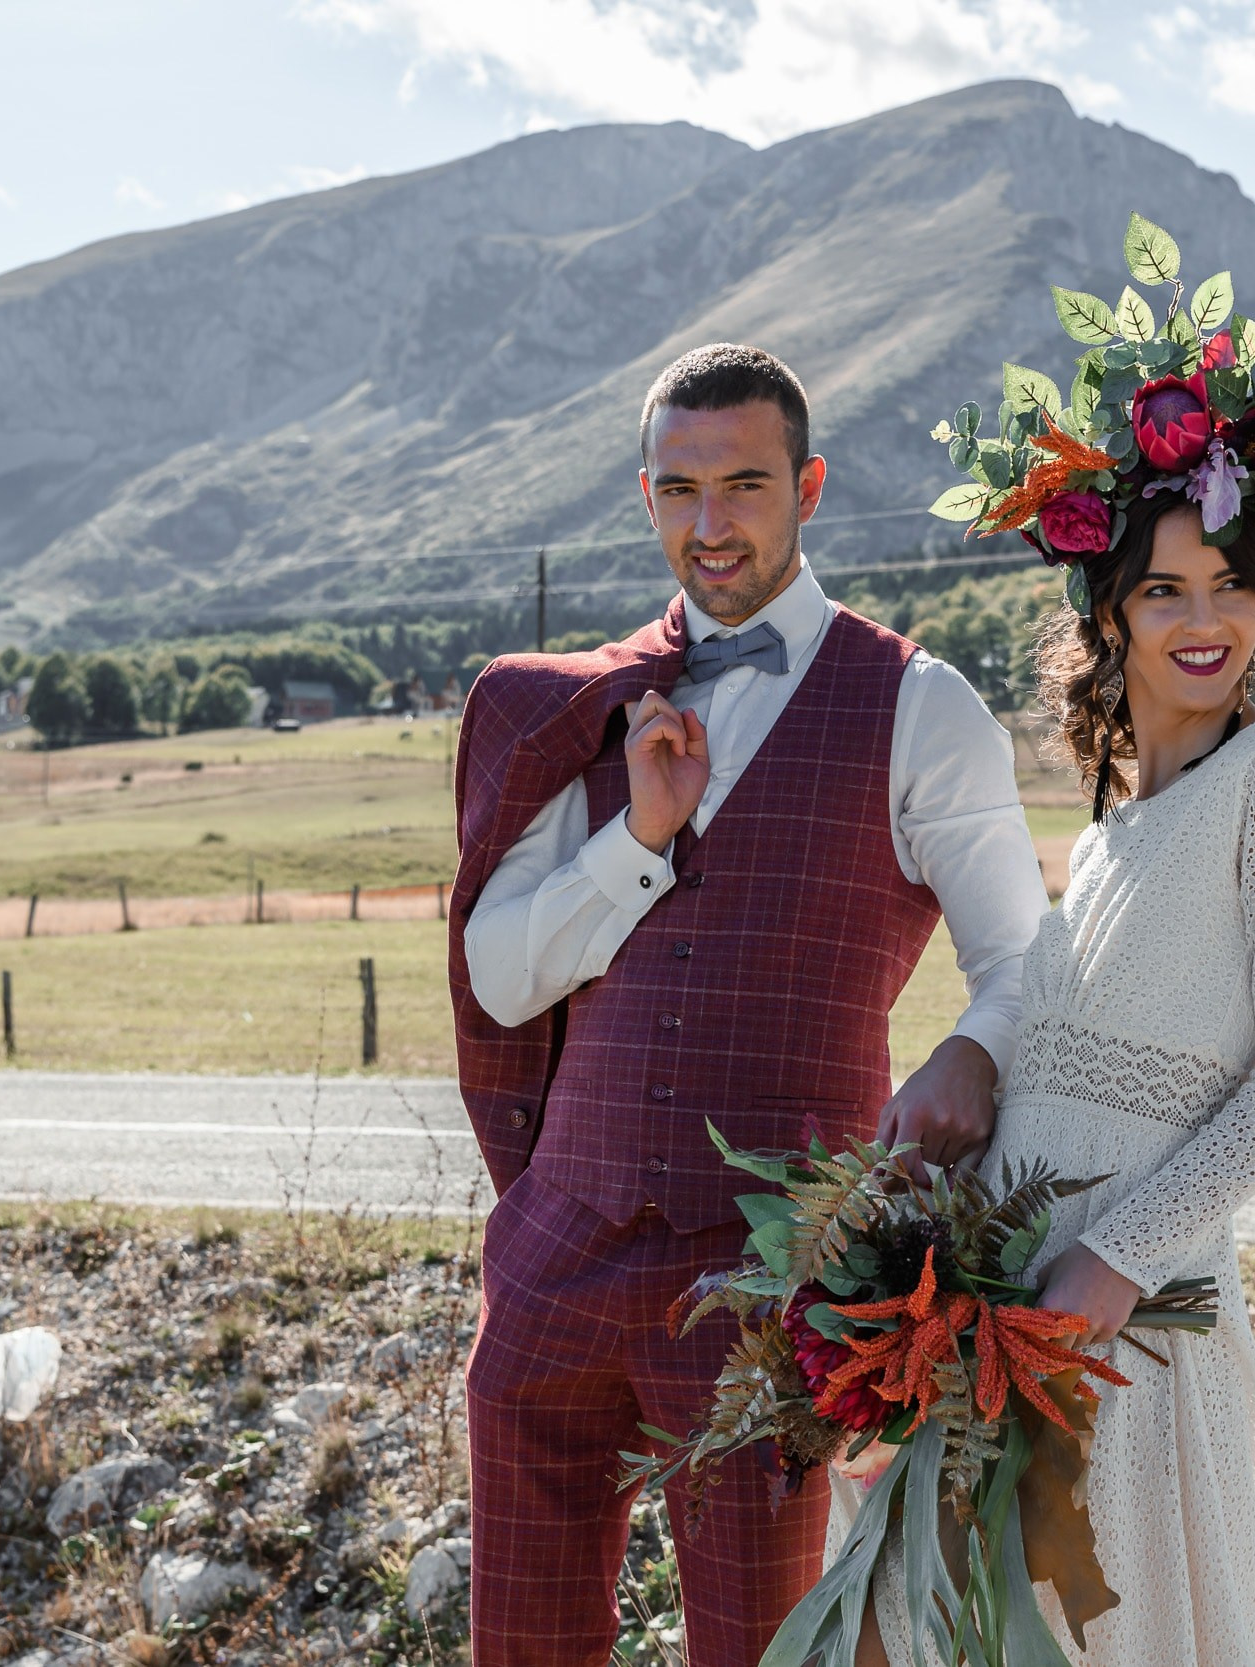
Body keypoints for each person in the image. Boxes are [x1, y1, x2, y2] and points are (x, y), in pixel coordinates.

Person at [447, 342, 1050, 1667]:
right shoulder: (580, 712)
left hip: (774, 1291)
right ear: (645, 495)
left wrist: (971, 1050)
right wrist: (636, 842)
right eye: (678, 489)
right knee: (522, 1648)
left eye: (744, 486)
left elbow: (1027, 962)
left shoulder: (921, 707)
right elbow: (499, 979)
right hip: (556, 1260)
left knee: (763, 1651)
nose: (709, 525)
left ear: (811, 487)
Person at [830, 232, 1255, 1664]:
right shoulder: (1120, 824)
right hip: (1008, 1309)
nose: (1205, 622)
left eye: (1230, 588)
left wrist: (1117, 1262)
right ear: (1108, 613)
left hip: (1129, 1328)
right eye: (1163, 592)